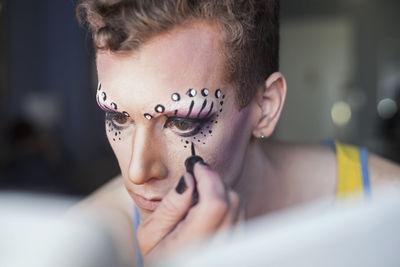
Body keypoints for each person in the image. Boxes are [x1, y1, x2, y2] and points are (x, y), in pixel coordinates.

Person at [72, 0, 400, 266]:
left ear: (266, 107)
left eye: (183, 122)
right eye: (117, 116)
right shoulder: (86, 243)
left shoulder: (387, 209)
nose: (138, 171)